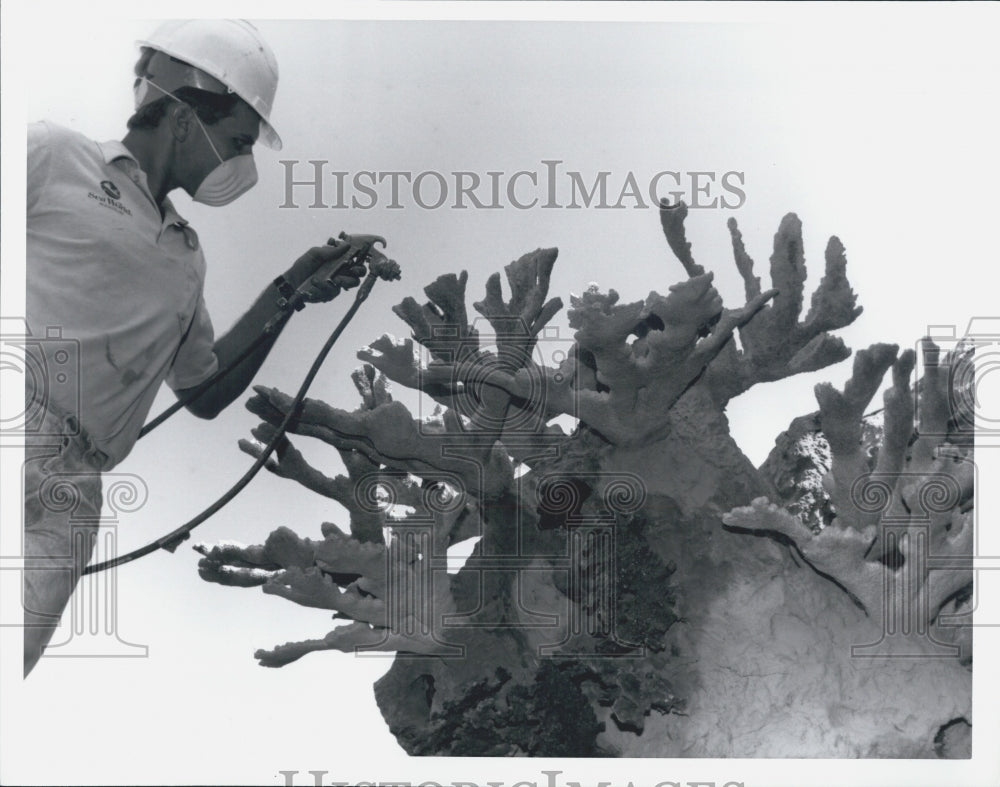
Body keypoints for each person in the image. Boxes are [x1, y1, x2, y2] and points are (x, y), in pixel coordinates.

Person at [23, 19, 363, 676]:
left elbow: (204, 389)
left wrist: (291, 288)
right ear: (184, 116)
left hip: (76, 487)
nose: (240, 163)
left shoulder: (186, 254)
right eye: (237, 141)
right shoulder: (53, 153)